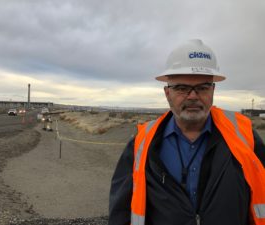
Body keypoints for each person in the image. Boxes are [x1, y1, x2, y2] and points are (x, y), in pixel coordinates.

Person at [108, 39, 265, 225]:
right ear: (168, 93)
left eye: (202, 88)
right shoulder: (141, 144)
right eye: (182, 88)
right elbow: (121, 212)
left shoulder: (245, 137)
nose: (192, 96)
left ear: (212, 90)